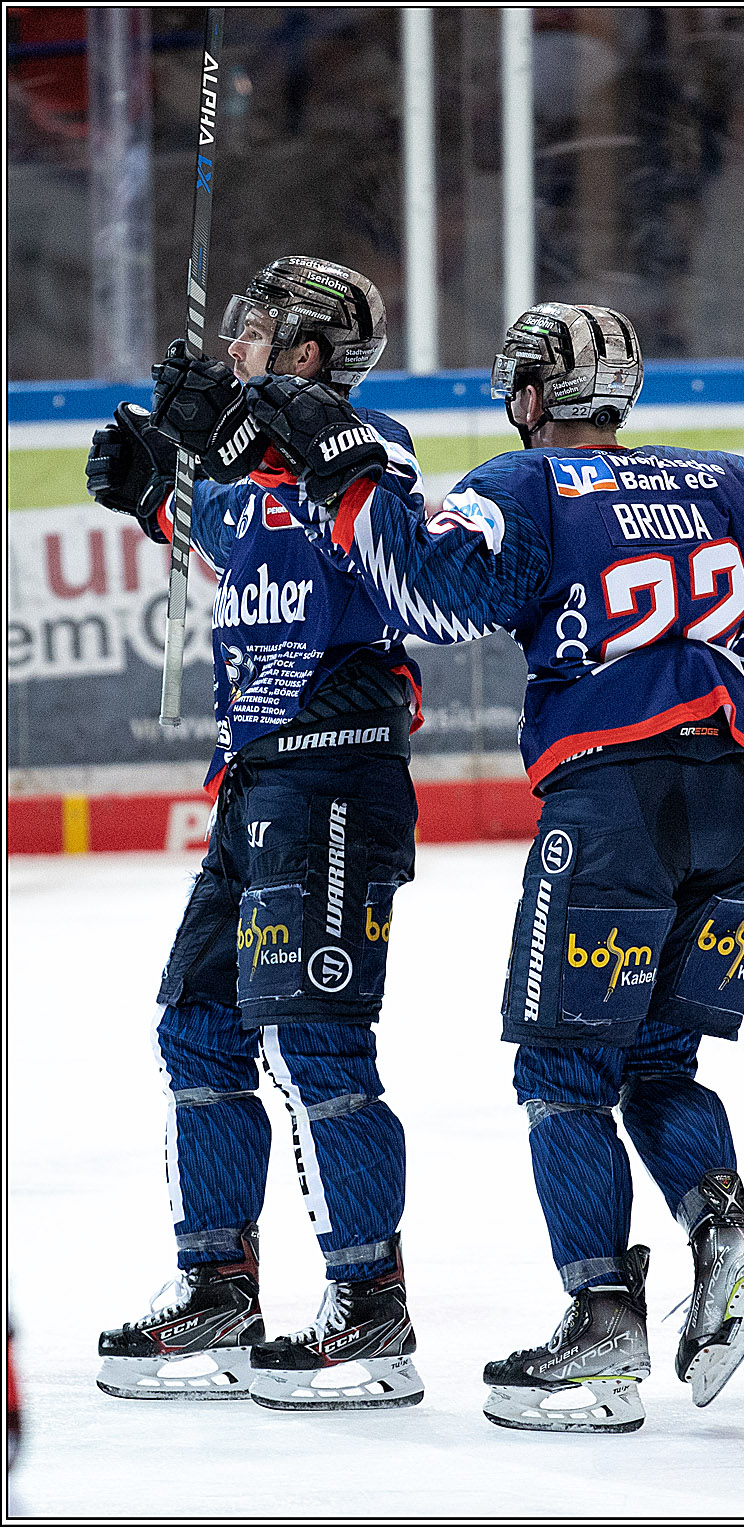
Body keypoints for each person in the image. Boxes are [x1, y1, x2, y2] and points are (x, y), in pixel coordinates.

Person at [241, 300, 744, 1434]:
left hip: (613, 809)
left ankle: (601, 1328)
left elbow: (434, 596)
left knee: (562, 1075)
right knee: (658, 1062)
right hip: (733, 805)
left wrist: (347, 468)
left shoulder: (529, 490)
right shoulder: (726, 482)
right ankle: (722, 1231)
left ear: (528, 393)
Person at [85, 257, 428, 1412]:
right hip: (255, 785)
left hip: (336, 783)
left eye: (259, 332)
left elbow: (359, 510)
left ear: (312, 354)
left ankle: (371, 1309)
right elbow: (226, 530)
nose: (235, 343)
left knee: (317, 1045)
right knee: (197, 1030)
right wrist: (153, 489)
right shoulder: (248, 463)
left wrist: (235, 433)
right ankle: (220, 1287)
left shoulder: (373, 447)